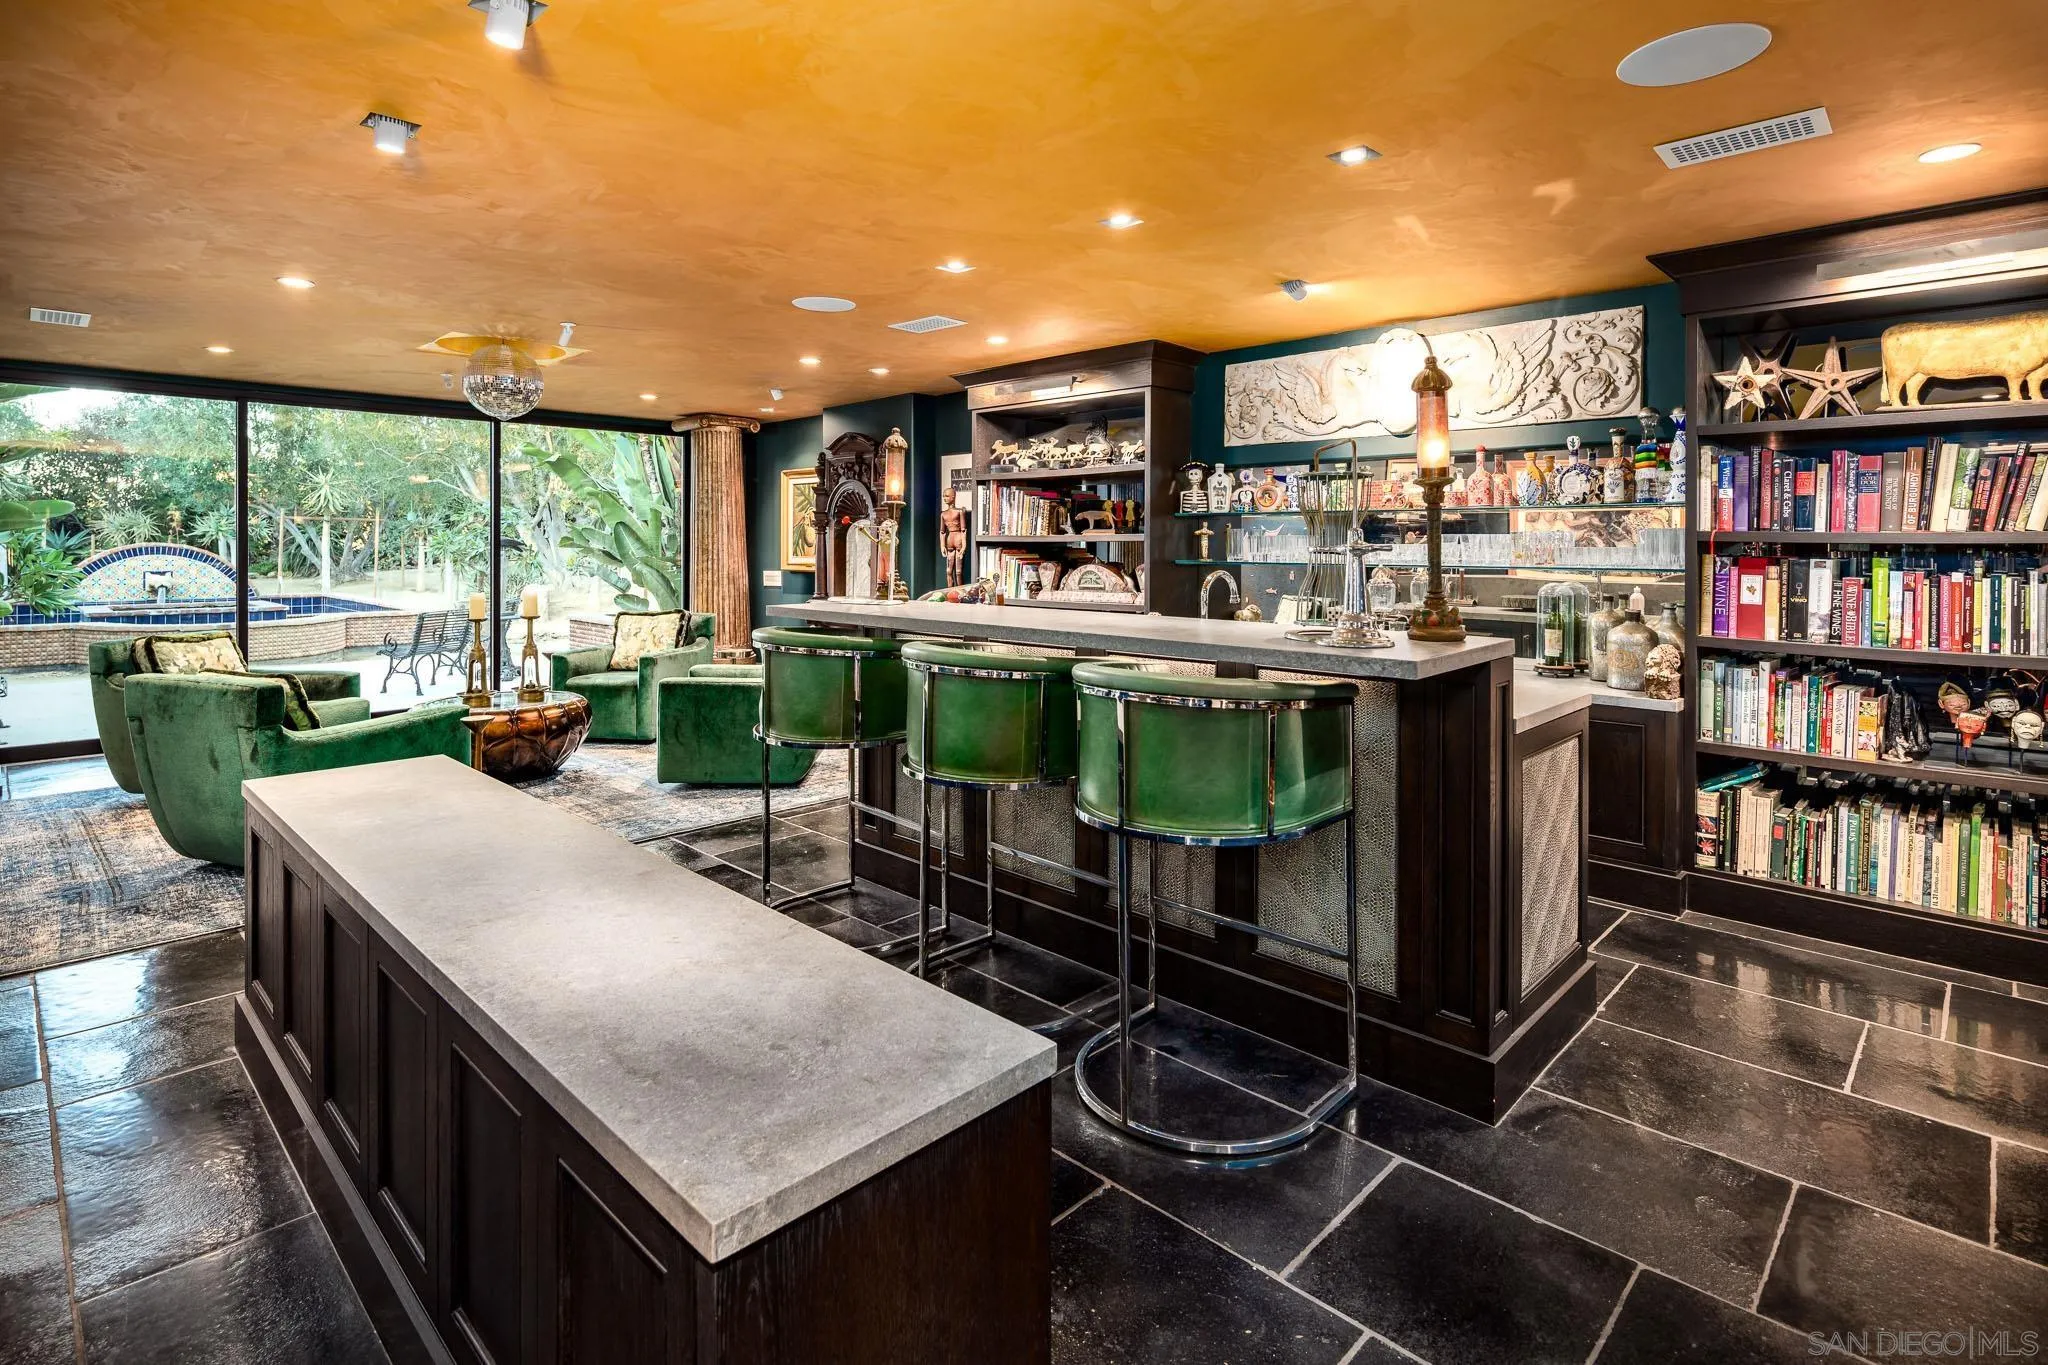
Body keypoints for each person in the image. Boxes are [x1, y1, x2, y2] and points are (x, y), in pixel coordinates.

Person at [940, 485, 969, 587]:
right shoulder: (943, 514)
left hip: (958, 539)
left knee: (958, 572)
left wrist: (964, 546)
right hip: (950, 541)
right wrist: (942, 546)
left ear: (953, 497)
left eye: (947, 496)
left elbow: (963, 530)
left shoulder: (959, 512)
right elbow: (942, 532)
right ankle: (950, 592)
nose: (945, 498)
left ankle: (960, 592)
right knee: (948, 571)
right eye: (944, 496)